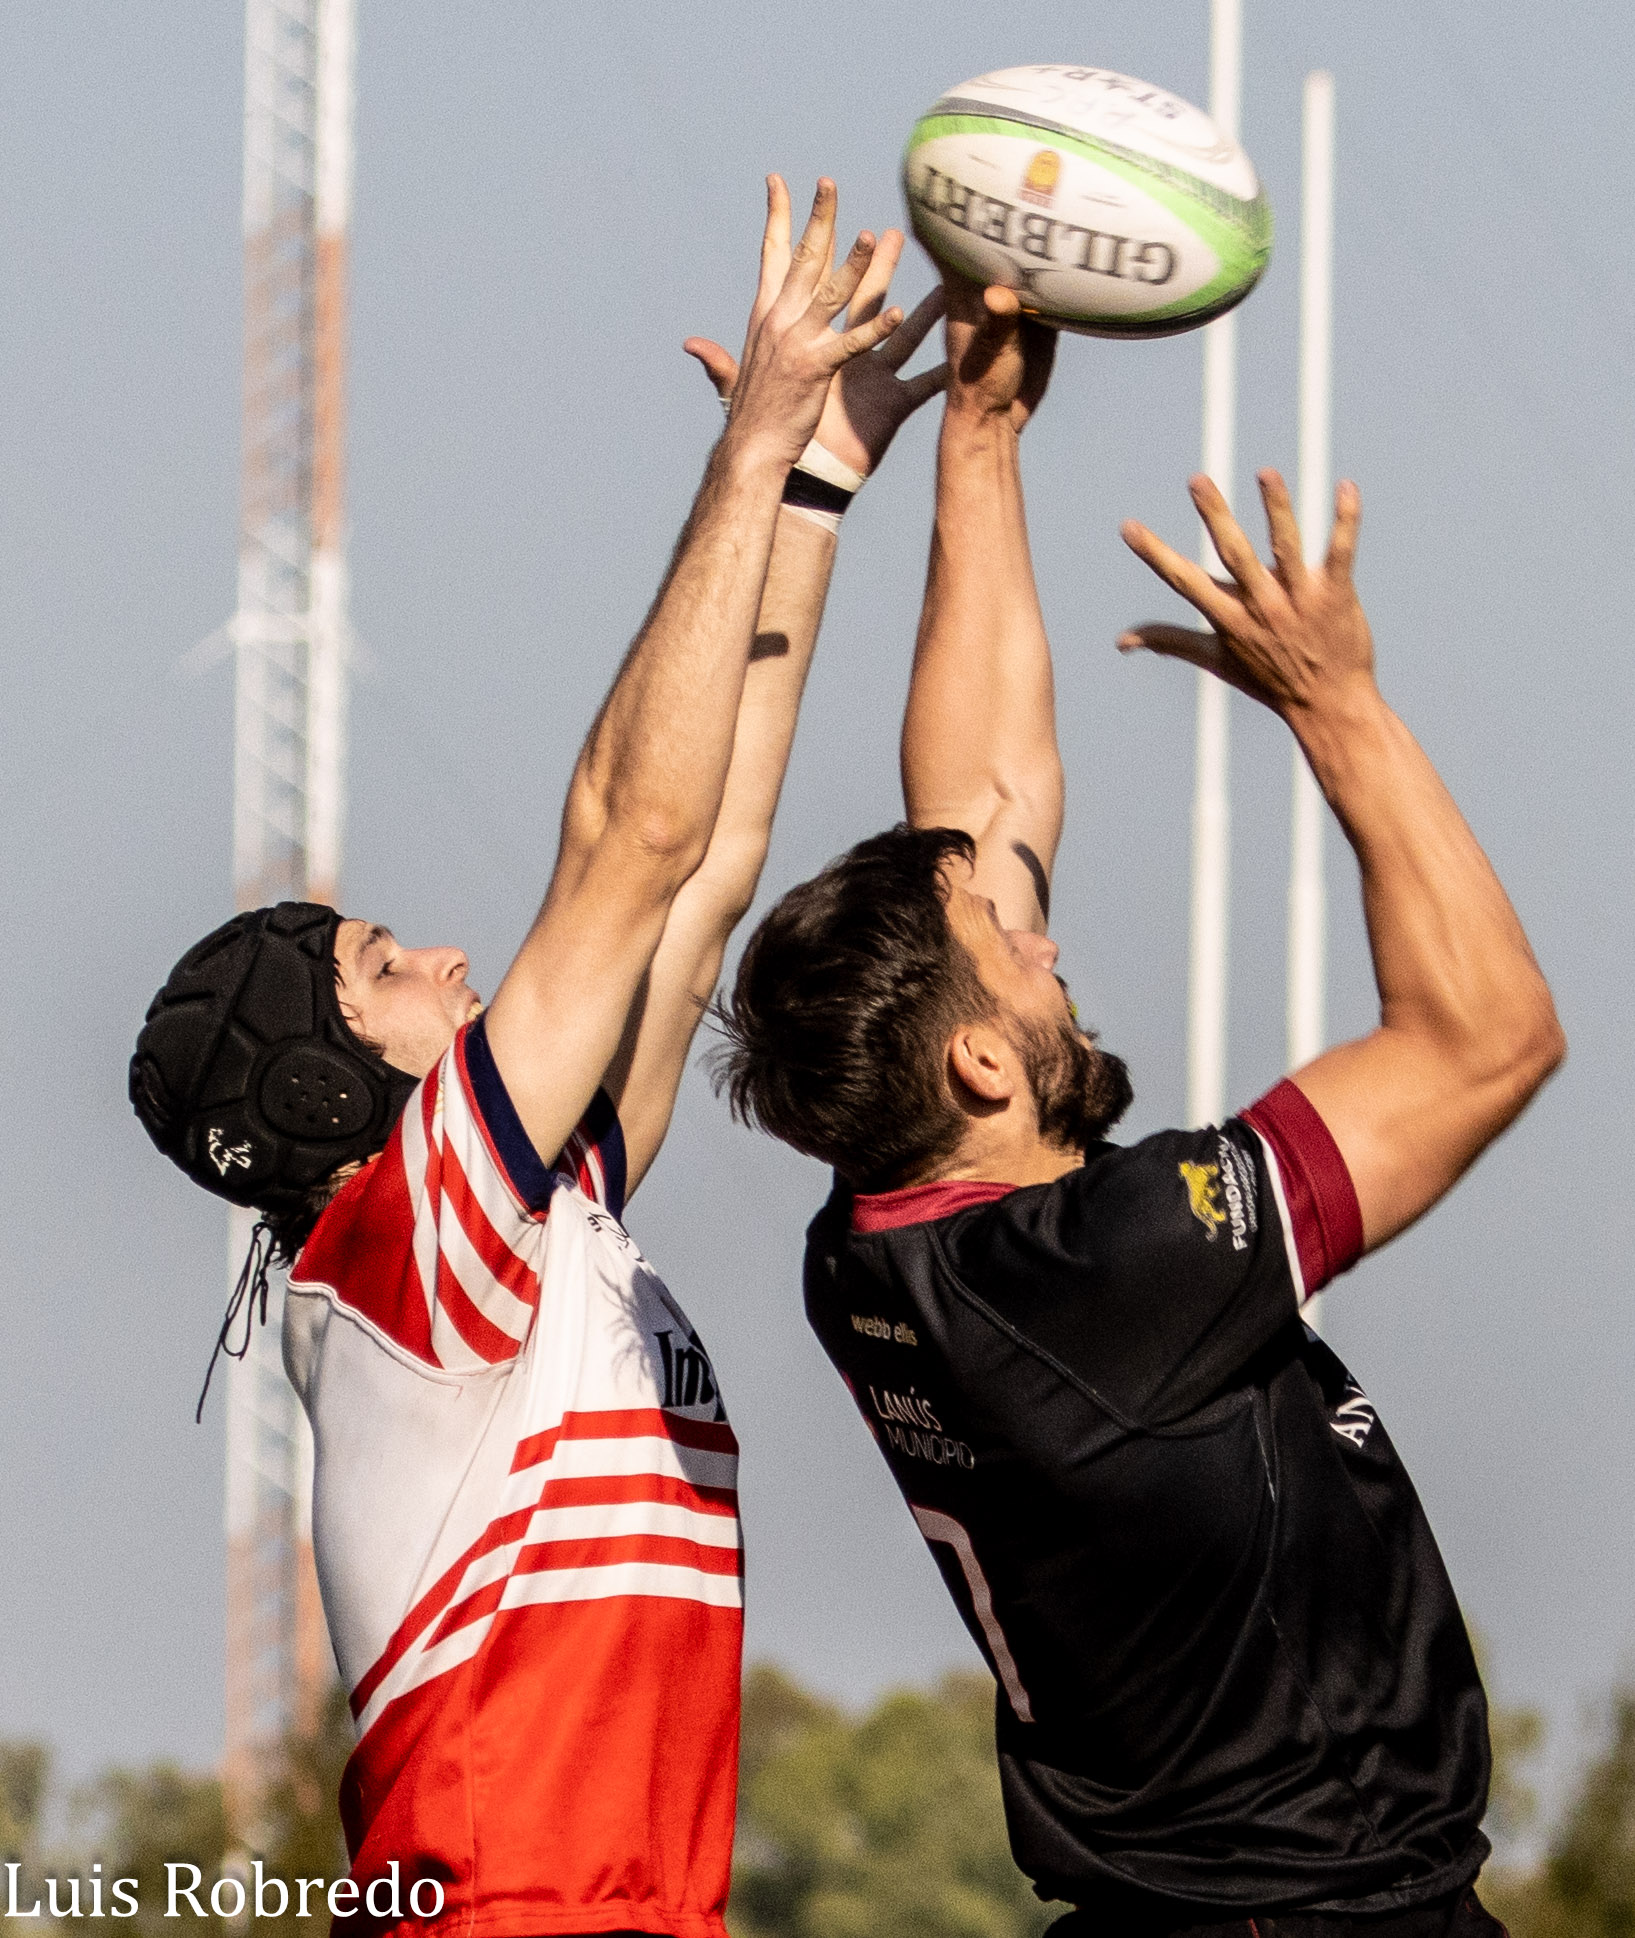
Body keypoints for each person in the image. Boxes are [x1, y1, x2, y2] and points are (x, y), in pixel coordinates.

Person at [129, 179, 945, 1938]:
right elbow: (627, 841)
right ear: (311, 1083)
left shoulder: (517, 1221)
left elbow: (705, 863)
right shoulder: (410, 1246)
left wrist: (816, 487)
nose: (438, 954)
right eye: (376, 961)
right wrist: (745, 447)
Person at [712, 278, 1563, 1937]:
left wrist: (982, 434)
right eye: (1012, 944)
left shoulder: (874, 1230)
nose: (1048, 938)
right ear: (971, 1063)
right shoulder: (1118, 1270)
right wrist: (1337, 704)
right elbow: (1489, 1035)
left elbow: (986, 798)